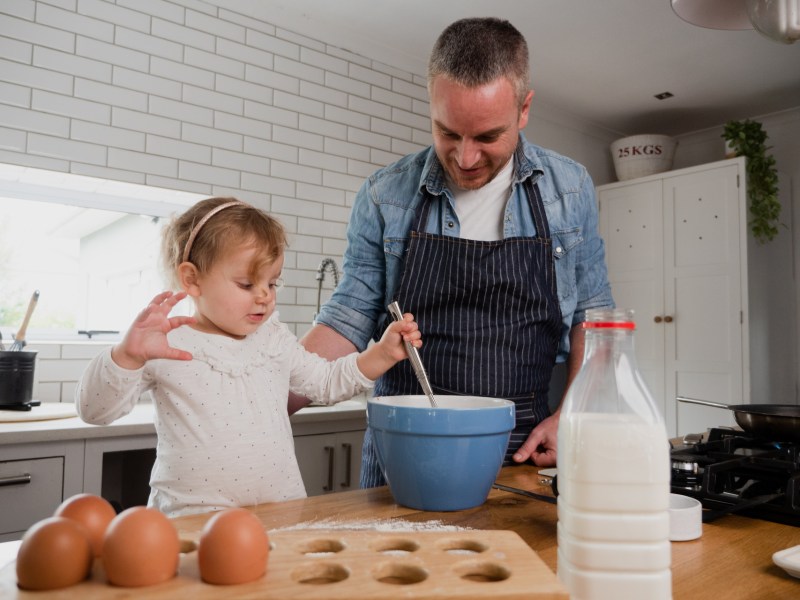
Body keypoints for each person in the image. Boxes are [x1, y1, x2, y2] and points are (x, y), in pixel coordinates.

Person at [296, 17, 614, 489]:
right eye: (448, 133)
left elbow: (593, 313)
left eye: (487, 137)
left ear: (524, 109)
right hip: (402, 446)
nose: (465, 158)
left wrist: (574, 415)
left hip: (523, 451)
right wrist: (265, 392)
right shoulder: (386, 193)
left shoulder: (569, 189)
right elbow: (350, 312)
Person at [76, 197, 421, 517]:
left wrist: (381, 353)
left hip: (279, 515)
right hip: (192, 521)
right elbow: (94, 411)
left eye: (272, 283)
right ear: (192, 280)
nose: (264, 297)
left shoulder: (272, 337)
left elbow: (326, 382)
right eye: (246, 284)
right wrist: (126, 355)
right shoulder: (165, 341)